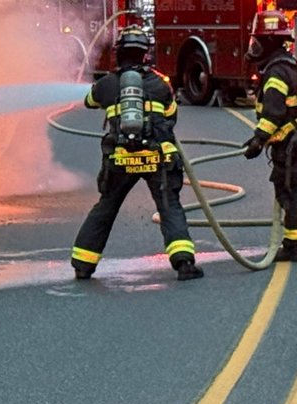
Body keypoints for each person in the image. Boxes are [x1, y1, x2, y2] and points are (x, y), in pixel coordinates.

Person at [70, 27, 204, 281]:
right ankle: (184, 263)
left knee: (106, 208)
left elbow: (89, 101)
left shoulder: (107, 84)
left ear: (119, 53)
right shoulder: (161, 83)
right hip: (157, 158)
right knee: (169, 207)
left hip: (121, 159)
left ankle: (83, 265)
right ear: (145, 54)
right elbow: (171, 115)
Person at [241, 10, 297, 262]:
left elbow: (273, 113)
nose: (255, 46)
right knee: (295, 188)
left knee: (289, 190)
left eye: (259, 40)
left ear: (270, 41)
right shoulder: (287, 63)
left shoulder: (276, 72)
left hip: (289, 142)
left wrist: (258, 140)